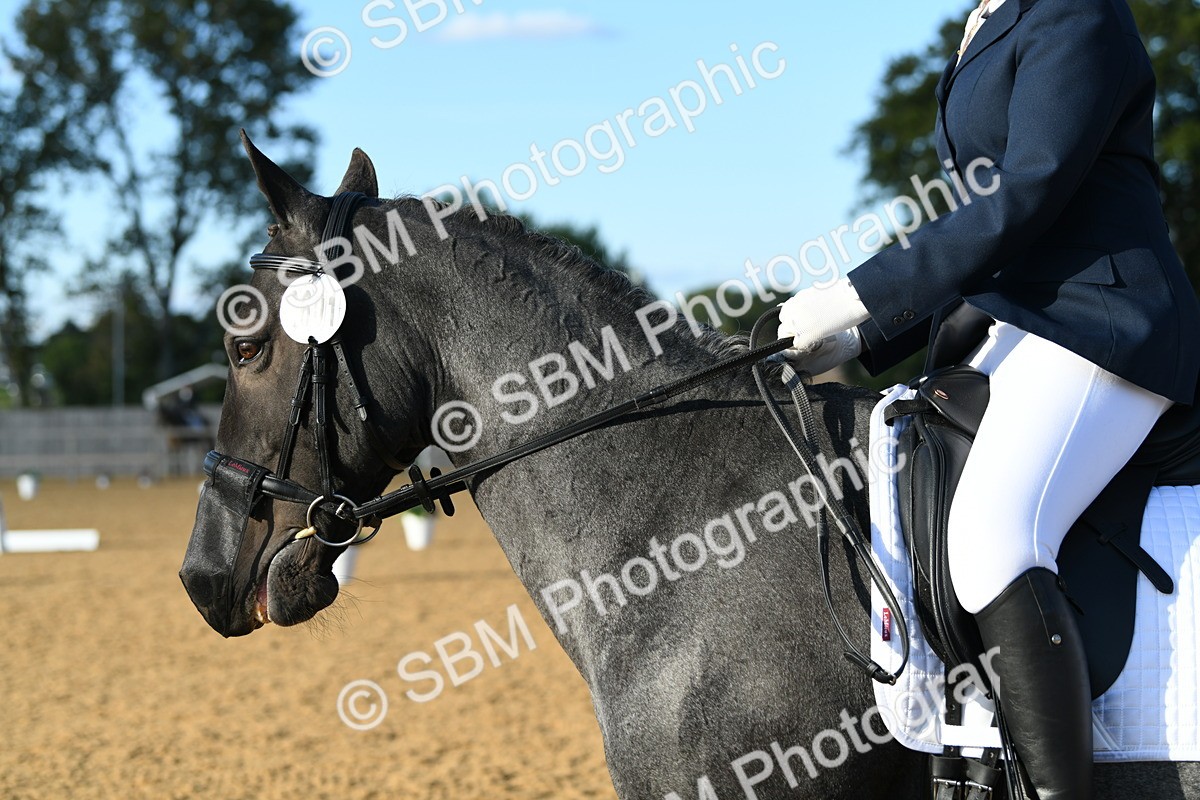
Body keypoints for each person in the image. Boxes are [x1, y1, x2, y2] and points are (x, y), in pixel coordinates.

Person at [778, 0, 1200, 797]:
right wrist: (864, 342)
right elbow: (985, 240)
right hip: (1023, 323)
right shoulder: (989, 18)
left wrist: (854, 294)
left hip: (1103, 322)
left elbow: (1027, 194)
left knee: (994, 535)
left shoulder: (1076, 12)